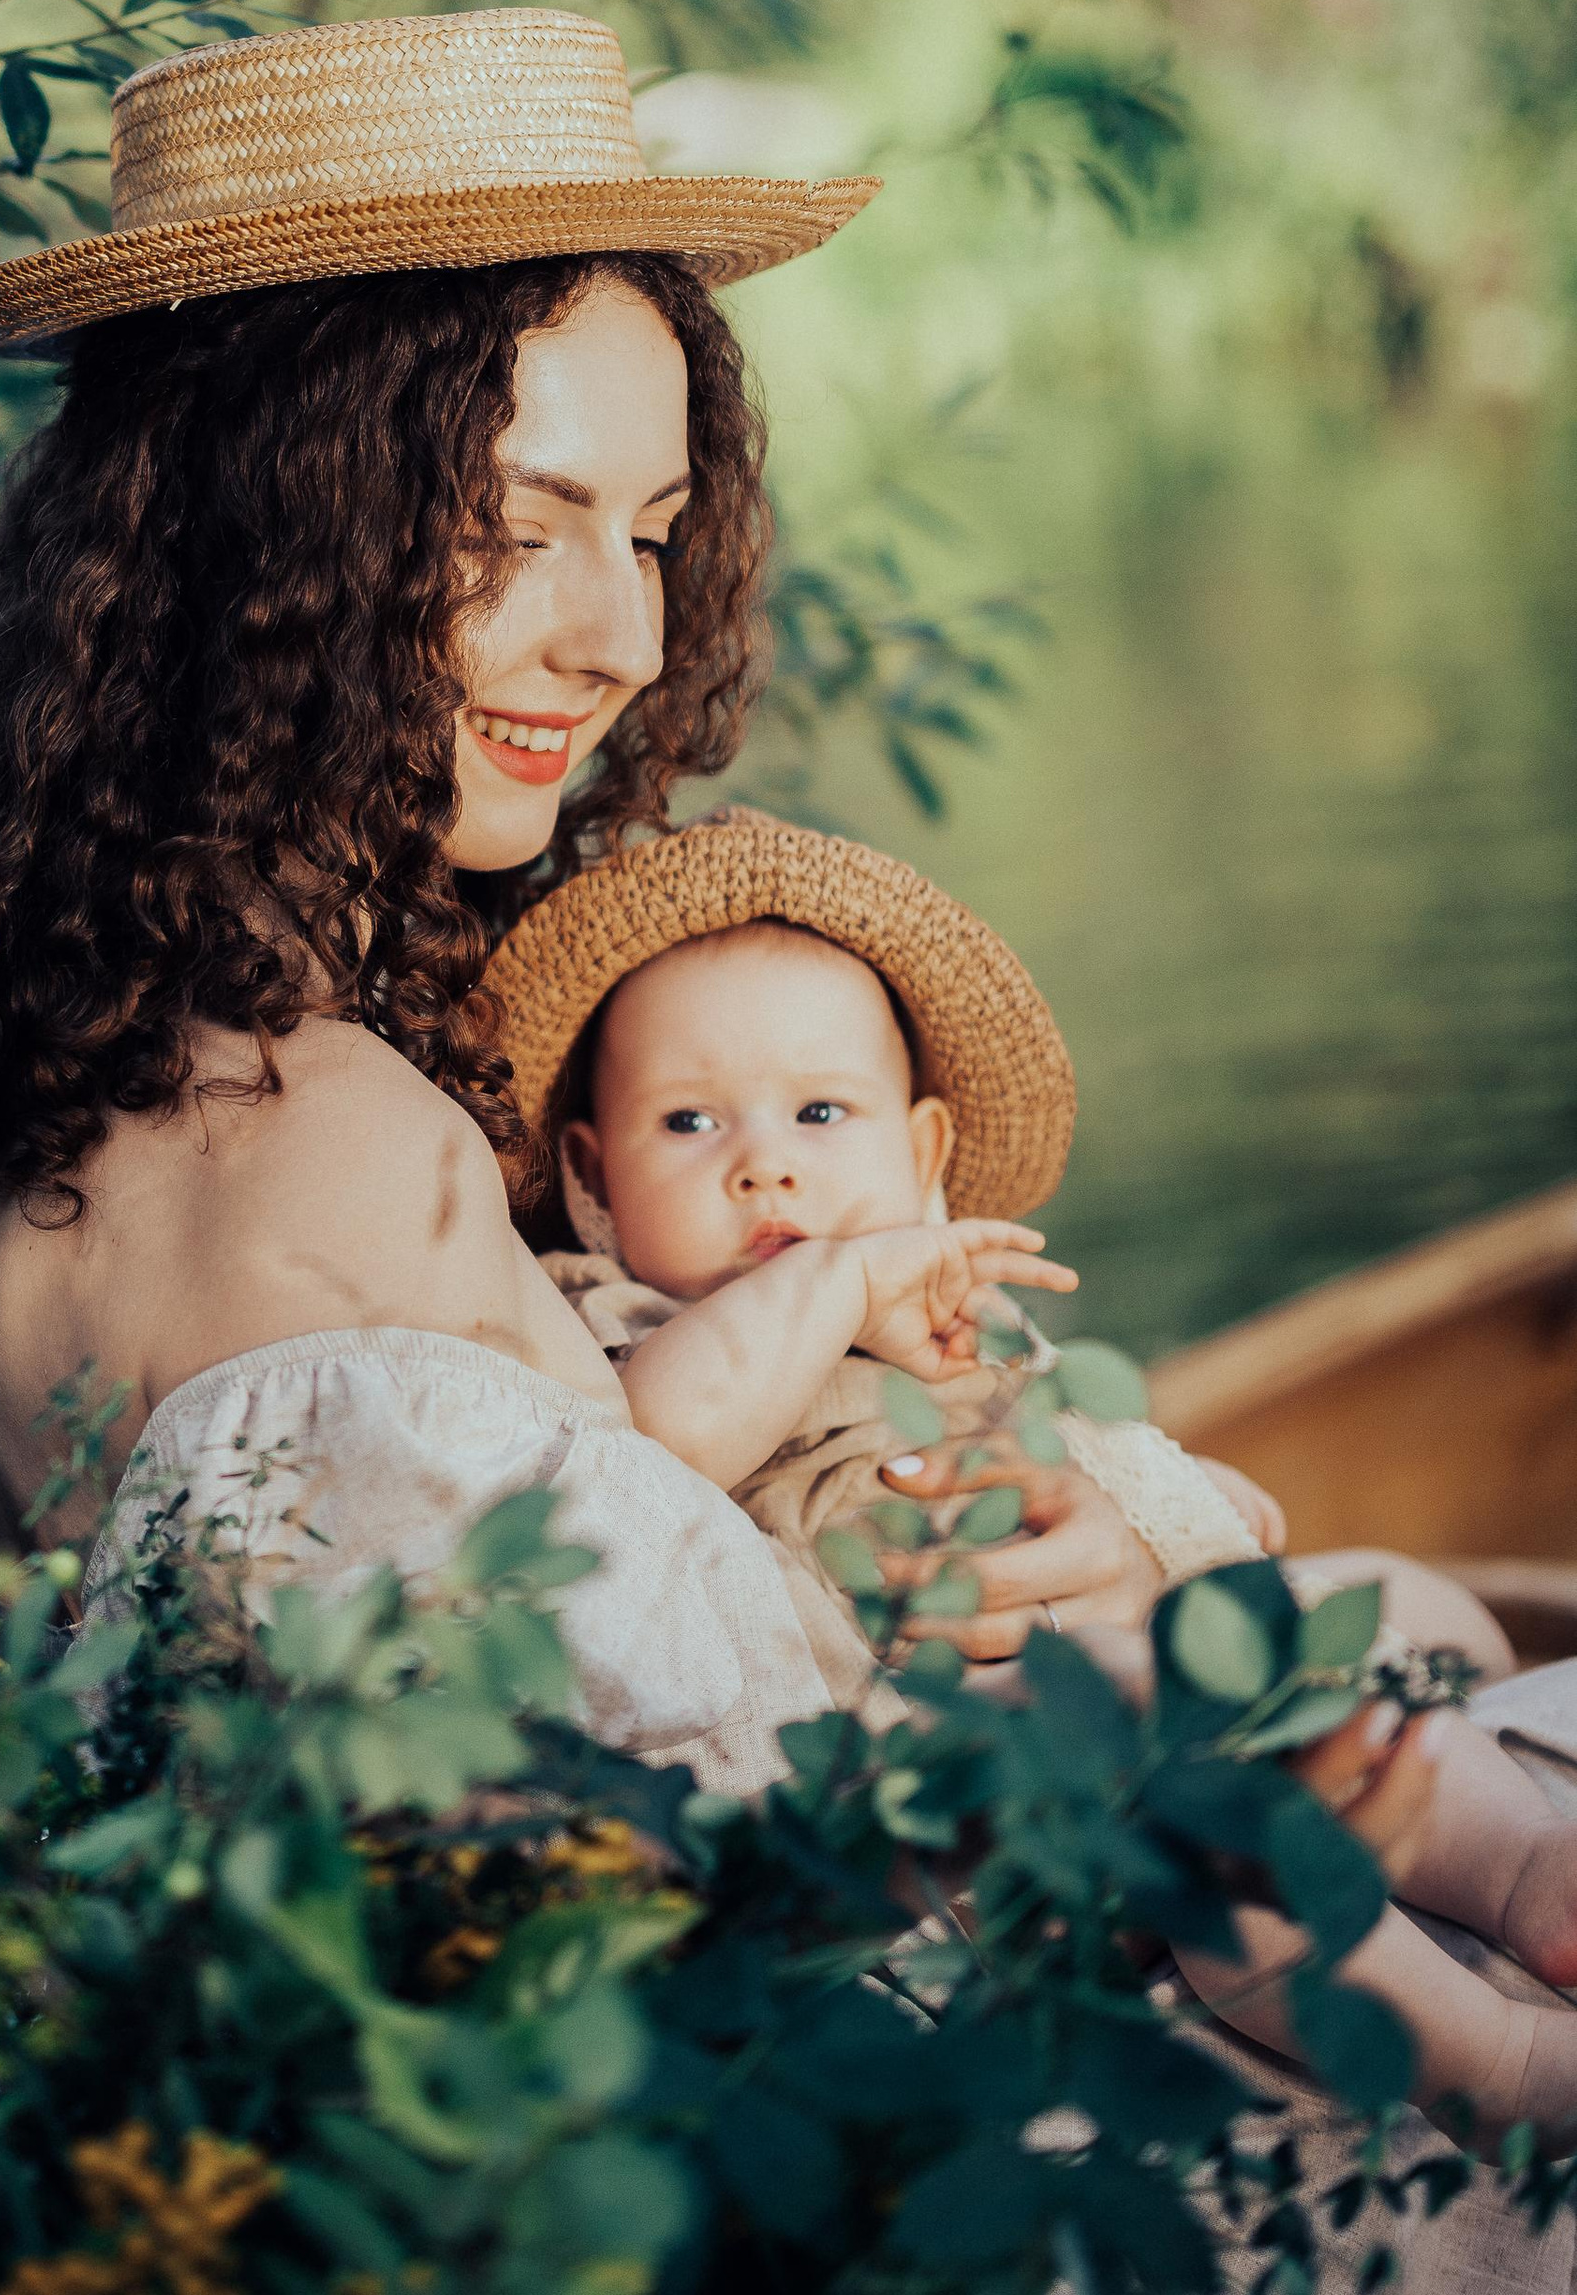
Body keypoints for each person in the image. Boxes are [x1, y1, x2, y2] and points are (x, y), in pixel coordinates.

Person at [0, 0, 1577, 2295]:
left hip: (441, 2194)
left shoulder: (59, 1104)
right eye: (515, 523)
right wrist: (1147, 1684)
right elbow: (709, 1889)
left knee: (1424, 1674)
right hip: (823, 2228)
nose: (618, 633)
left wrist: (1142, 1553)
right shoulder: (329, 1146)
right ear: (277, 527)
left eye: (646, 532)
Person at [483, 807, 1577, 2149]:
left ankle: (1530, 1872)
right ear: (594, 1183)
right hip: (952, 1820)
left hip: (1108, 1670)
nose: (763, 1162)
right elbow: (659, 1447)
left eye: (822, 1112)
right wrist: (831, 1277)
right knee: (1218, 1848)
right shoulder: (624, 1331)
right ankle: (1502, 2062)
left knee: (1348, 1647)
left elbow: (1086, 1461)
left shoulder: (951, 1316)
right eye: (690, 1120)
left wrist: (1192, 1500)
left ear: (925, 1157)